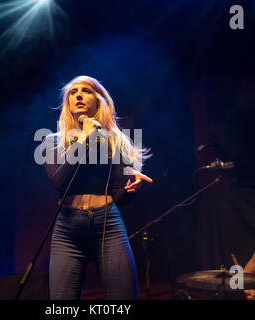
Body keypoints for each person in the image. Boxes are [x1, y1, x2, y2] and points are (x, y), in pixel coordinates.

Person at [41, 75, 152, 299]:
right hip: (67, 229)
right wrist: (83, 140)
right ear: (68, 103)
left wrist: (132, 185)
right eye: (73, 92)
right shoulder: (53, 141)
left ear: (99, 100)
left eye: (86, 91)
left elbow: (120, 197)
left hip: (107, 224)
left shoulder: (116, 141)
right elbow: (58, 181)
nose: (79, 95)